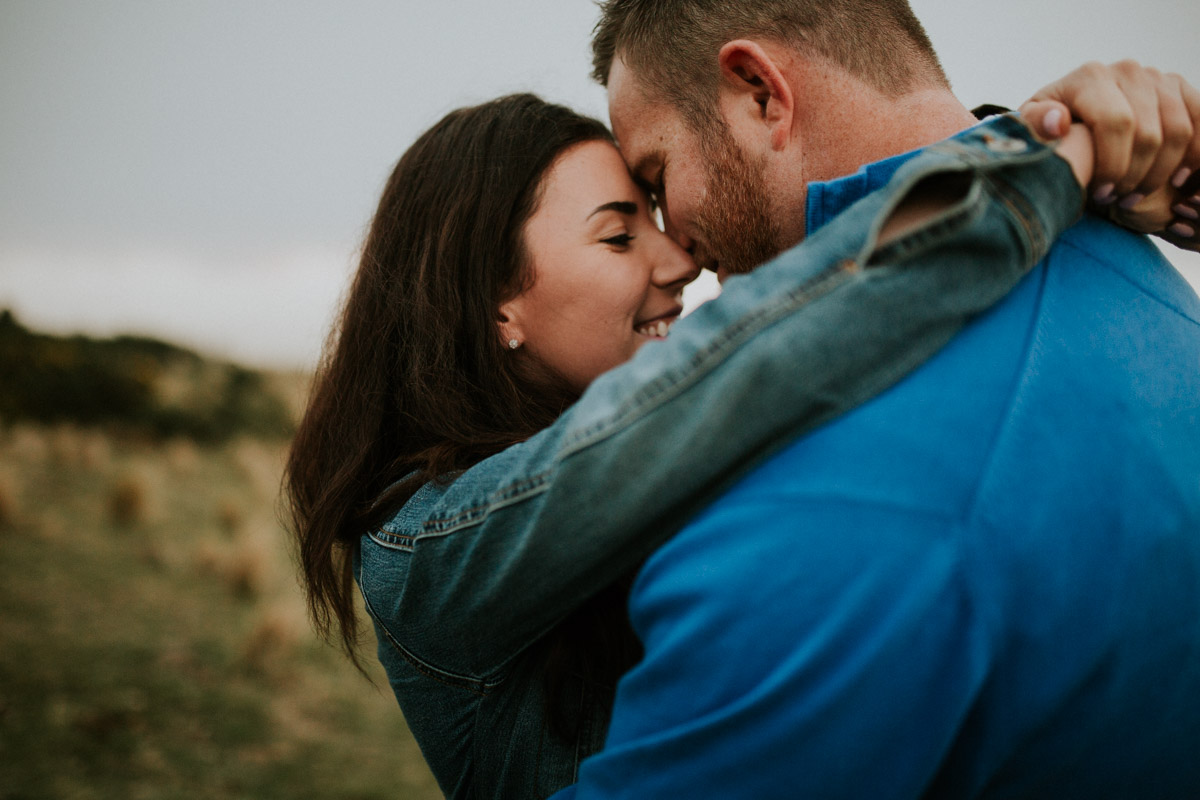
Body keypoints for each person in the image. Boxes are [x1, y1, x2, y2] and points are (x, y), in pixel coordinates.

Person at [284, 75, 1197, 800]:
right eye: (617, 236)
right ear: (495, 307)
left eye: (654, 212)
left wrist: (1105, 154)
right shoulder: (425, 547)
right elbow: (740, 370)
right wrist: (1041, 155)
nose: (680, 261)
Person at [543, 2, 1200, 798]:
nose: (673, 247)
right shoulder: (1154, 292)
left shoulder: (825, 485)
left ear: (760, 91)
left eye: (657, 178)